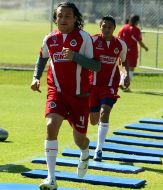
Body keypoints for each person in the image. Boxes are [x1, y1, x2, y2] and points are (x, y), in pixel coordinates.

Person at [30, 2, 100, 189]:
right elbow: (42, 57)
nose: (63, 19)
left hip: (79, 96)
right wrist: (36, 77)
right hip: (57, 93)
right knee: (51, 125)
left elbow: (96, 66)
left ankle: (85, 151)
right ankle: (51, 178)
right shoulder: (50, 39)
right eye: (60, 16)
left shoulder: (84, 38)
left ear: (75, 19)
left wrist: (75, 56)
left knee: (79, 139)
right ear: (55, 18)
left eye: (67, 16)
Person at [90, 16, 130, 161]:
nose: (106, 29)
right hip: (91, 85)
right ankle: (101, 124)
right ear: (100, 27)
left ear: (114, 28)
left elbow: (124, 62)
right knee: (94, 121)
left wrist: (126, 75)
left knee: (105, 111)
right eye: (104, 26)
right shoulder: (92, 41)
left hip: (109, 86)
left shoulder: (120, 44)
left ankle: (98, 150)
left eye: (110, 27)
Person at [118, 15, 148, 91]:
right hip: (132, 51)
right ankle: (125, 86)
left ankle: (121, 82)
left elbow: (118, 38)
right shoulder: (136, 30)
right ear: (136, 21)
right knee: (131, 68)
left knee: (124, 67)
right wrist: (145, 48)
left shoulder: (123, 27)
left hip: (122, 51)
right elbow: (140, 42)